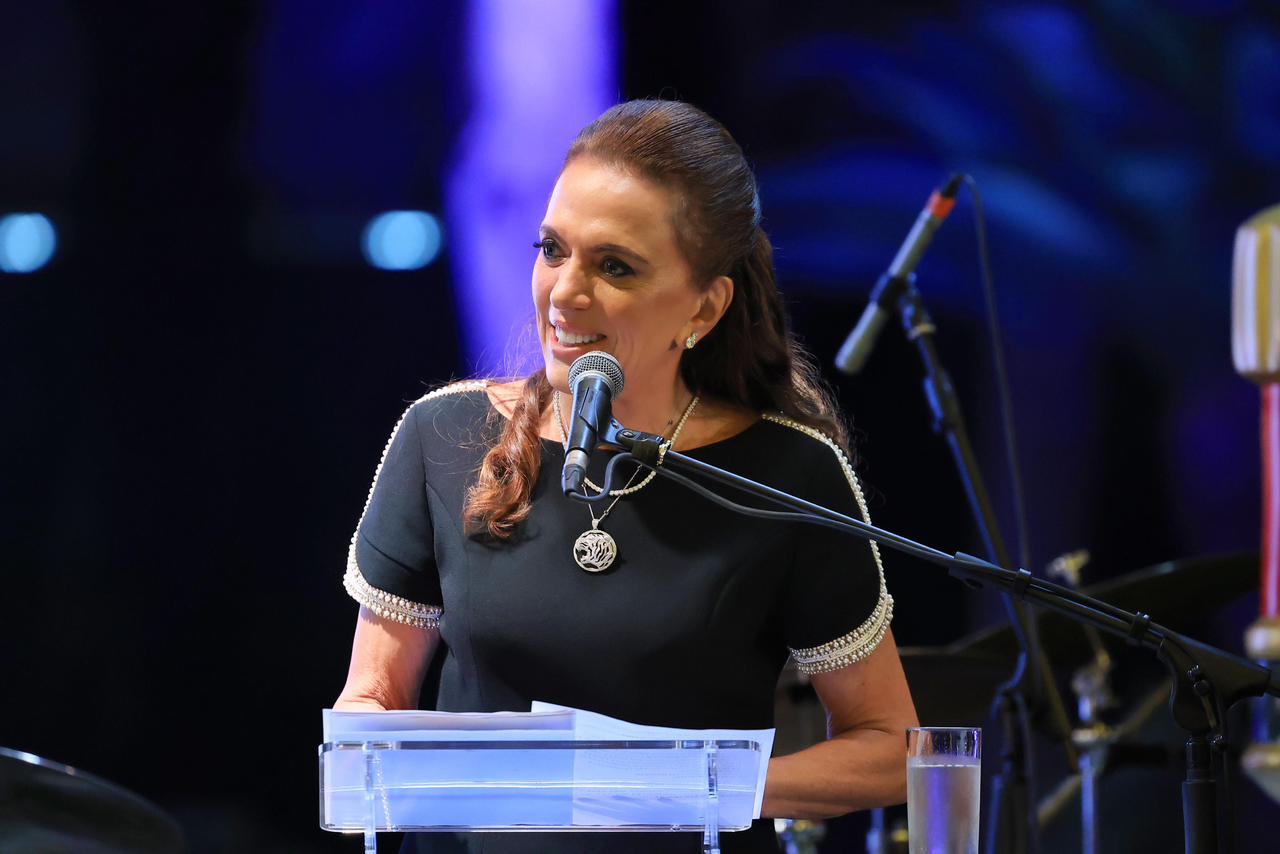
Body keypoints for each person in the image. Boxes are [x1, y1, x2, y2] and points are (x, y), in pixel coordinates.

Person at [334, 99, 918, 853]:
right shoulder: (442, 437)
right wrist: (369, 758)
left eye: (615, 267)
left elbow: (890, 745)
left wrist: (696, 786)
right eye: (552, 249)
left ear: (704, 308)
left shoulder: (789, 474)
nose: (565, 292)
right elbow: (372, 698)